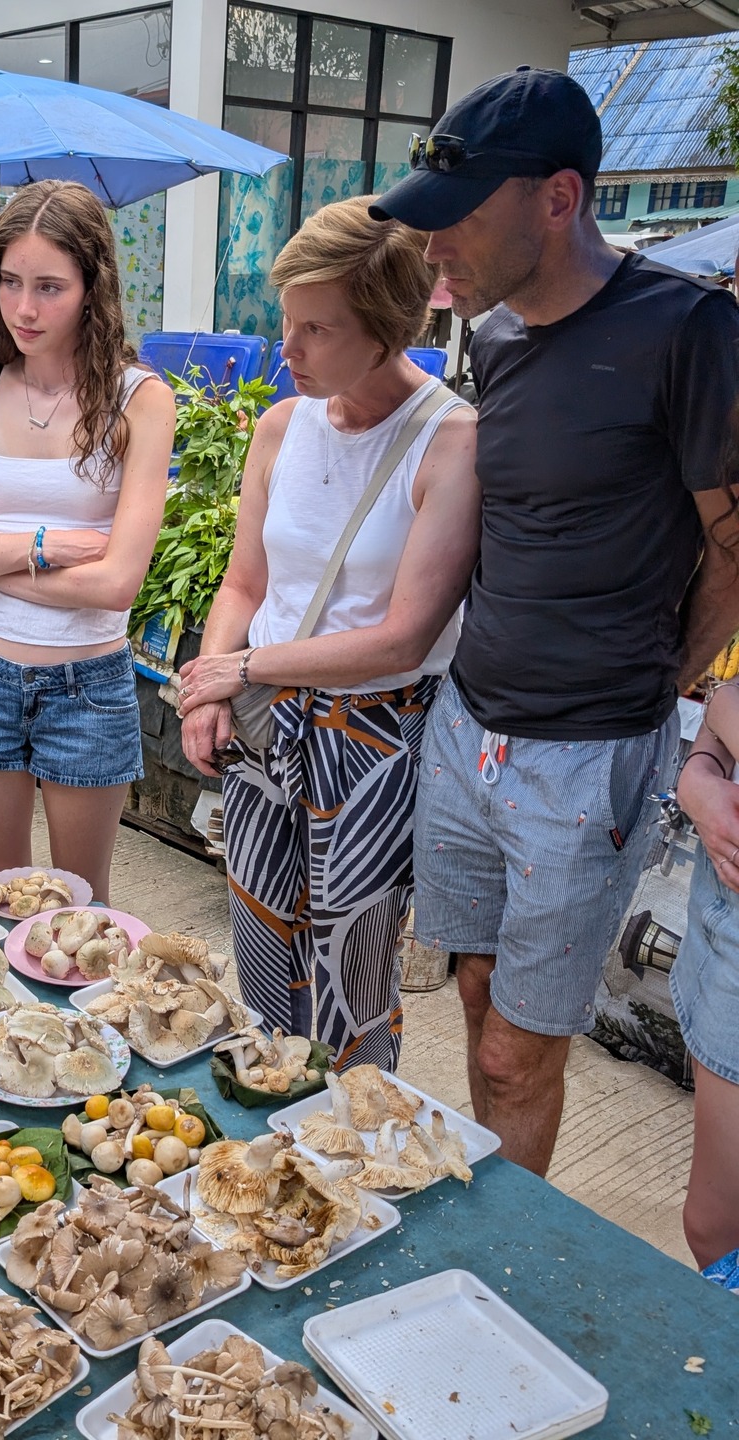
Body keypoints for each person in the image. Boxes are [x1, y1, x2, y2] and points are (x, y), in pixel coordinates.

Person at [371, 67, 739, 1175]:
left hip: (587, 757)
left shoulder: (689, 327)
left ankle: (505, 1256)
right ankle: (497, 1206)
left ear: (559, 198)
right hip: (467, 728)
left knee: (522, 1051)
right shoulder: (494, 338)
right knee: (476, 997)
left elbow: (733, 545)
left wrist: (659, 682)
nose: (432, 246)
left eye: (457, 217)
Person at [175, 197, 478, 1072]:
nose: (288, 348)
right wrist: (209, 691)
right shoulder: (283, 425)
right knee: (262, 955)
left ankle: (355, 1136)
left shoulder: (451, 442)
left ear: (386, 332)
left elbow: (404, 639)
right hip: (267, 723)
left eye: (317, 329)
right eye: (286, 321)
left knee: (353, 971)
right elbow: (245, 582)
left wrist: (240, 668)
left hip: (375, 736)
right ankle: (272, 1126)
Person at [0, 179, 176, 904]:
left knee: (81, 913)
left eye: (50, 287)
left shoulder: (140, 400)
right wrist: (44, 546)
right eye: (10, 282)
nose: (24, 309)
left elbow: (117, 584)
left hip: (88, 683)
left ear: (94, 288)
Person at [671, 676, 739, 1288]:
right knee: (715, 1228)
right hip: (722, 900)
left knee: (717, 1229)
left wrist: (725, 711)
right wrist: (702, 769)